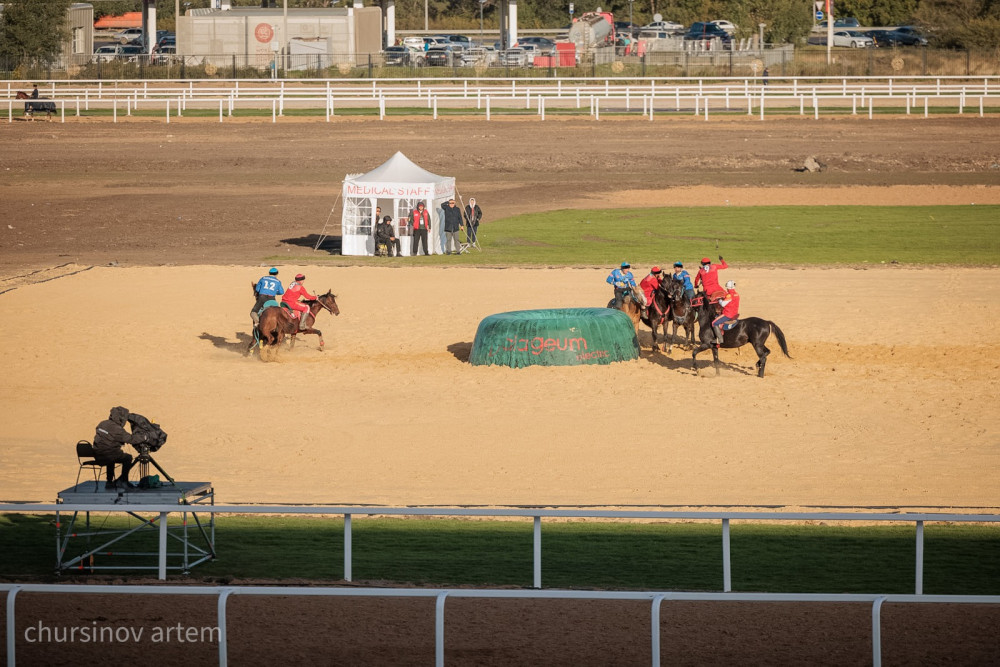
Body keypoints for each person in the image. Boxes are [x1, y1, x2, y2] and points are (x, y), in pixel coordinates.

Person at [93, 406, 146, 490]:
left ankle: (109, 482)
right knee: (128, 458)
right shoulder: (117, 430)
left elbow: (104, 436)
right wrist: (144, 437)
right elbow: (131, 439)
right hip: (108, 455)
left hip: (97, 454)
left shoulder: (102, 423)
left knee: (111, 456)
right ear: (121, 418)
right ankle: (124, 481)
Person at [712, 280, 740, 345]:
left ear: (728, 287)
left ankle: (720, 339)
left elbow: (723, 304)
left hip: (728, 314)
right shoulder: (737, 294)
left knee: (714, 323)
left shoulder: (729, 295)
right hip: (735, 313)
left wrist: (719, 300)